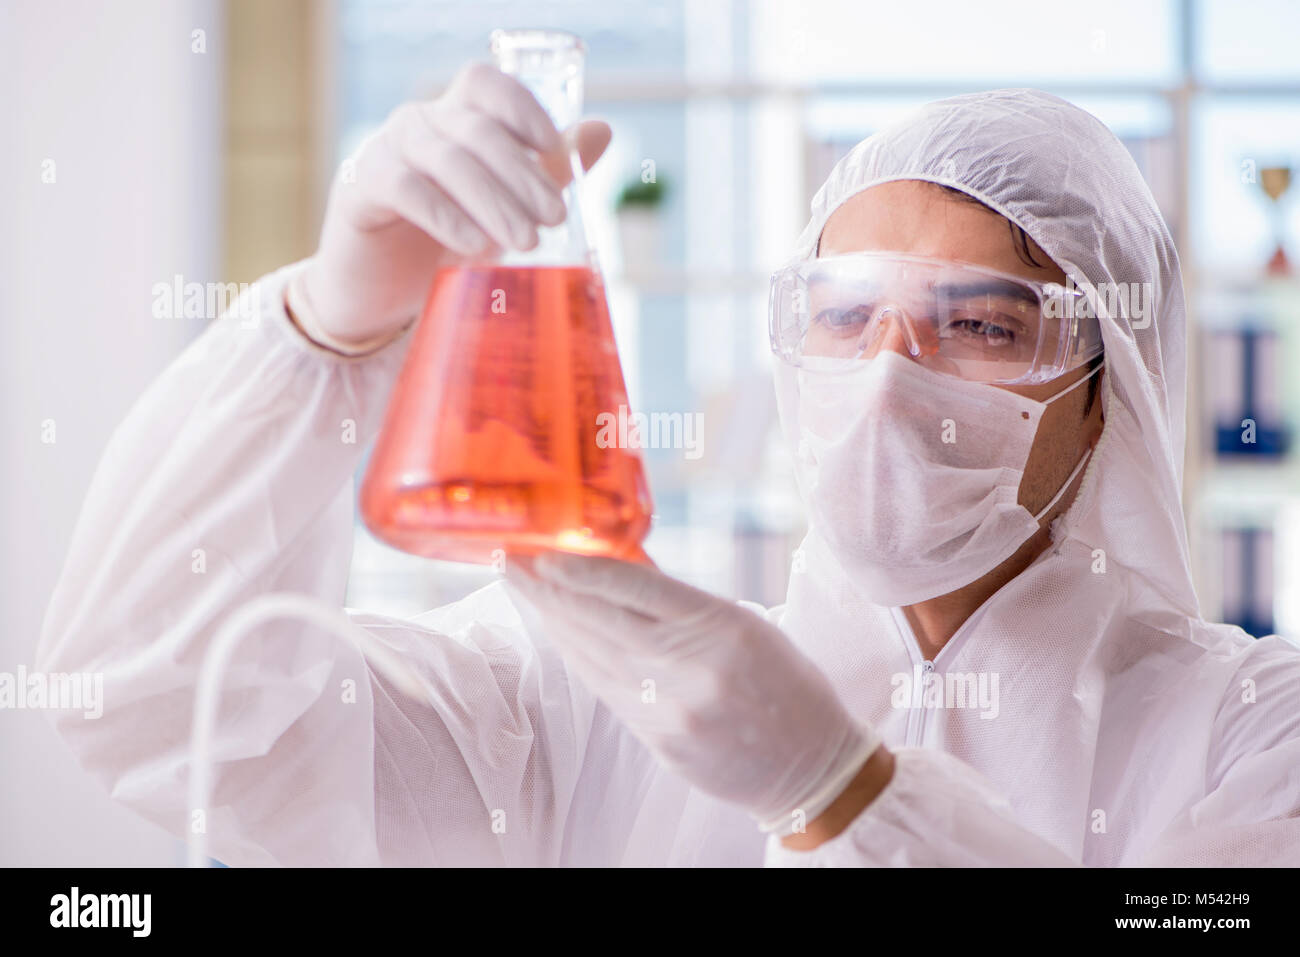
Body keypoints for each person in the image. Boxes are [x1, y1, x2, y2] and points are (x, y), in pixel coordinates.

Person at [37, 64, 1300, 866]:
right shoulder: (578, 706)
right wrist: (325, 327)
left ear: (1104, 396)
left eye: (979, 323)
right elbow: (152, 711)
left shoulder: (1254, 734)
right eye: (843, 314)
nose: (886, 373)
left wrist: (842, 792)